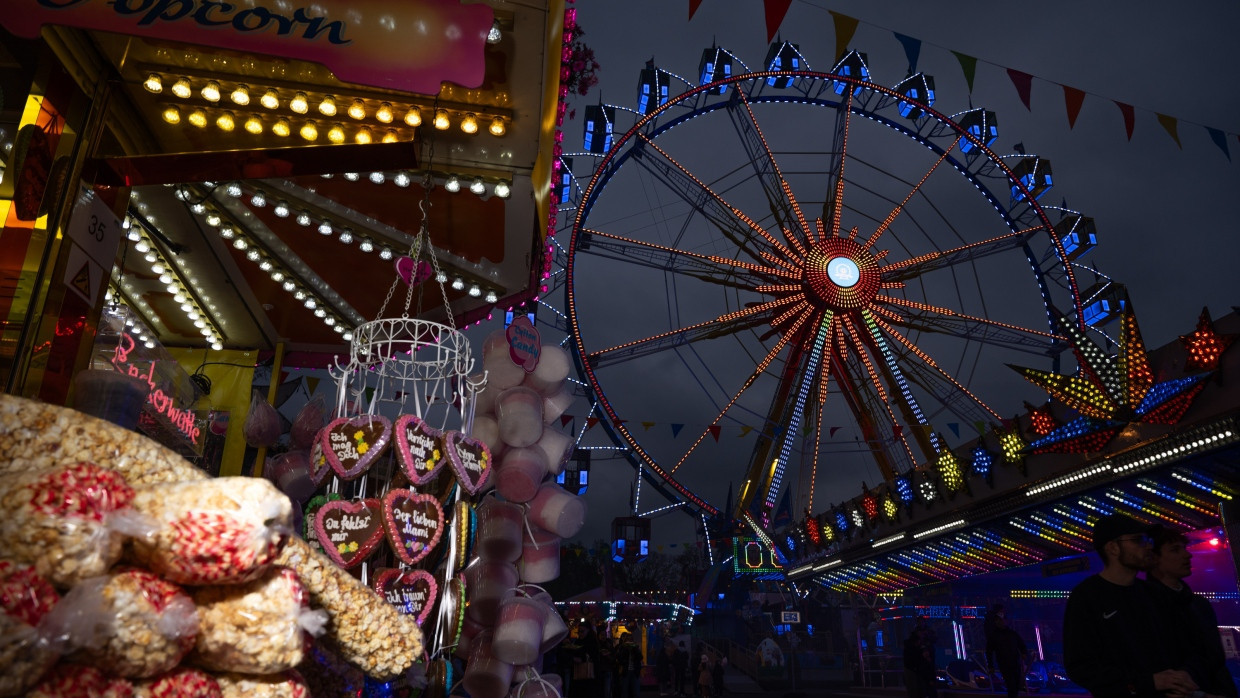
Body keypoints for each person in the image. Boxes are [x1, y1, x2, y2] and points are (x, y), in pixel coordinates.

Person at [1063, 514, 1199, 698]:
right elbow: (1081, 666)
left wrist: (1184, 675)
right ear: (1112, 548)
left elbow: (1185, 647)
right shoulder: (1087, 597)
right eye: (1138, 540)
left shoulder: (1155, 594)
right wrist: (1146, 683)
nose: (1149, 546)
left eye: (1148, 539)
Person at [1146, 526, 1239, 698]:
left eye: (1184, 548)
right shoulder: (1144, 607)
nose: (1187, 555)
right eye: (1175, 550)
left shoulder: (1198, 603)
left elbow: (1214, 658)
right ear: (1153, 558)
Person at [986, 613, 1028, 698]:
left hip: (1015, 663)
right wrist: (990, 665)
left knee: (1016, 685)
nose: (1001, 622)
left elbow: (1021, 644)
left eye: (1002, 620)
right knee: (1011, 686)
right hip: (1004, 664)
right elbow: (989, 651)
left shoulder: (1011, 633)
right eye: (999, 620)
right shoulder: (994, 636)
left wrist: (1024, 652)